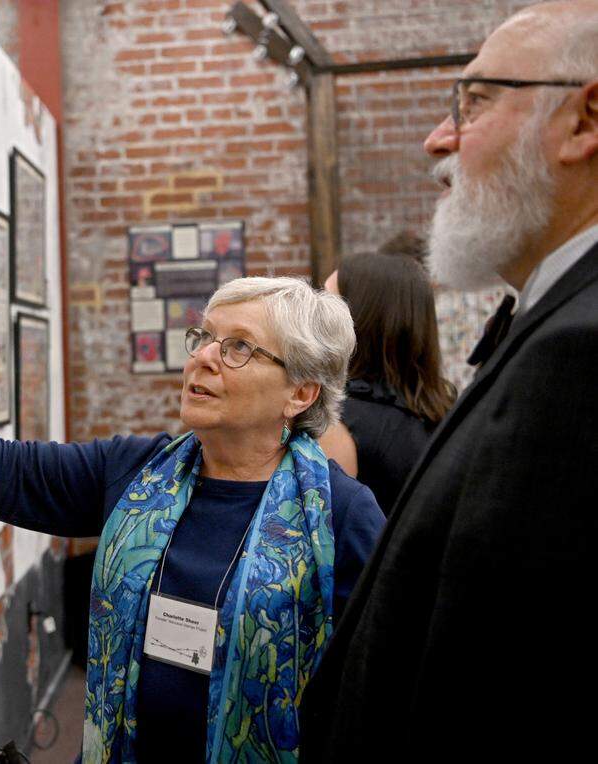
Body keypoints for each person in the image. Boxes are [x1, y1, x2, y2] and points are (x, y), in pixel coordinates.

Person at [0, 221, 384, 762]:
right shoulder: (138, 474)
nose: (204, 356)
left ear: (301, 393)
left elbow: (382, 691)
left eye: (239, 347)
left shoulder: (340, 517)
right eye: (205, 336)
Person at [301, 2, 598, 759]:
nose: (439, 140)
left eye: (475, 101)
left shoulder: (580, 350)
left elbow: (496, 685)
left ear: (584, 120)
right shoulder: (550, 318)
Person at [320, 252, 456, 514]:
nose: (315, 316)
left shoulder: (339, 421)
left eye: (328, 304)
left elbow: (323, 540)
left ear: (360, 320)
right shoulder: (446, 410)